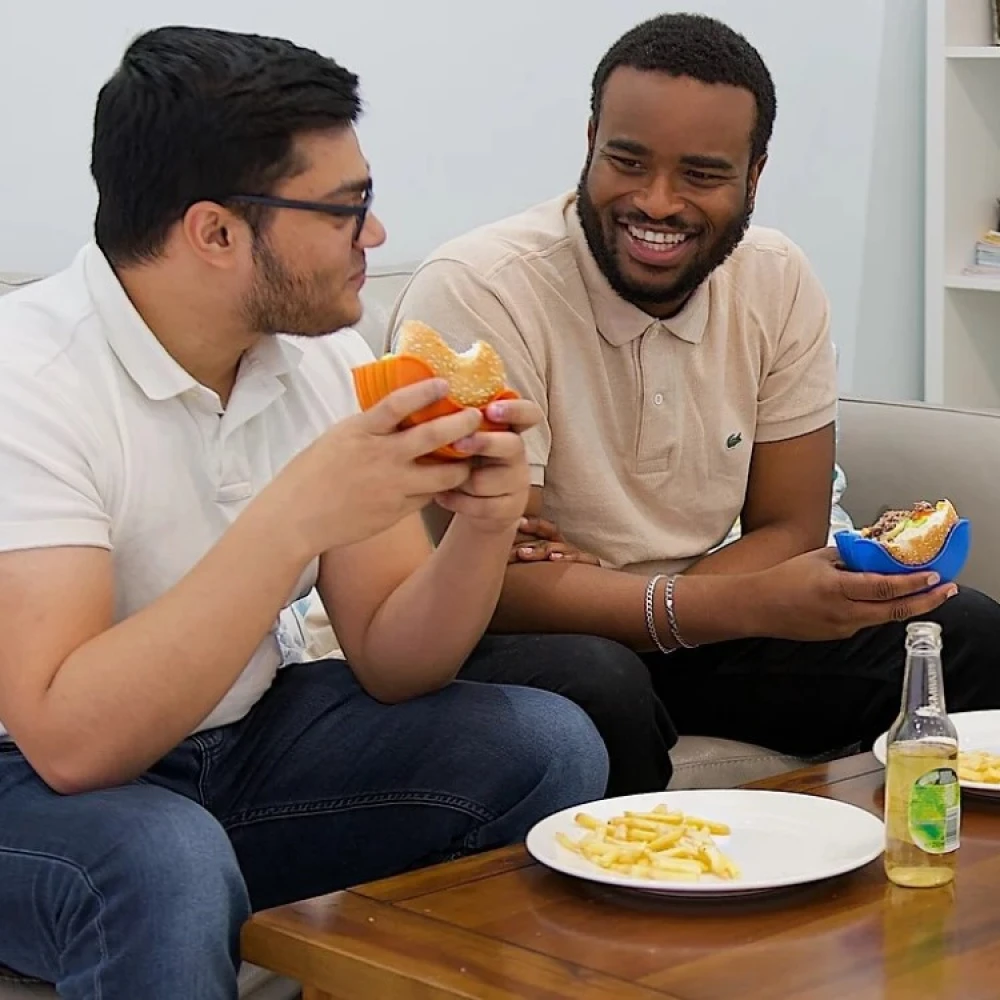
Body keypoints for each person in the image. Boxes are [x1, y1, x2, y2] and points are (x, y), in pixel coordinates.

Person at [0, 27, 610, 1000]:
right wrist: (291, 519)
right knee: (163, 859)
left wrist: (483, 527)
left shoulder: (317, 353)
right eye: (344, 210)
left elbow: (395, 658)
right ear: (215, 233)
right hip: (31, 786)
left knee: (545, 746)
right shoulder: (29, 381)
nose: (376, 234)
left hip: (238, 744)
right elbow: (71, 746)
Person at [387, 13, 1000, 796]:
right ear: (590, 143)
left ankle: (911, 867)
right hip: (542, 638)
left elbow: (791, 524)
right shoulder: (483, 289)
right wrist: (708, 603)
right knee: (600, 681)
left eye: (702, 175)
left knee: (966, 632)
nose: (656, 202)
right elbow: (504, 582)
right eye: (627, 161)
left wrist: (684, 604)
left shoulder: (776, 277)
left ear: (754, 175)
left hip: (695, 618)